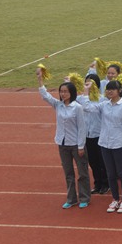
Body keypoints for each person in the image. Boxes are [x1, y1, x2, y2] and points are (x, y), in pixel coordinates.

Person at [37, 69, 90, 209]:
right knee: (68, 173)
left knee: (82, 172)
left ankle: (84, 197)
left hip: (76, 145)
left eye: (66, 91)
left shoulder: (77, 107)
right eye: (61, 91)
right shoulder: (58, 105)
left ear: (71, 93)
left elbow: (82, 128)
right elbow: (45, 96)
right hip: (62, 143)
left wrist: (80, 146)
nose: (63, 94)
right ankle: (71, 198)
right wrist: (40, 80)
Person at [81, 80, 122, 213]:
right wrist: (86, 91)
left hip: (119, 143)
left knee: (121, 173)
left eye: (112, 89)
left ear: (119, 90)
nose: (110, 91)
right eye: (108, 89)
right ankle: (115, 199)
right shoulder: (104, 105)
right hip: (104, 143)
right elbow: (87, 107)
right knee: (110, 173)